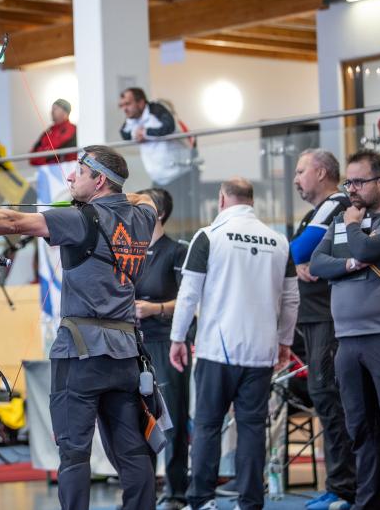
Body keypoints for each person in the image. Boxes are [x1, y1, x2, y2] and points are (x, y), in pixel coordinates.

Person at [0, 145, 158, 510]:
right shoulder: (142, 217)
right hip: (125, 355)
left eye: (80, 172)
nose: (70, 176)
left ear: (100, 181)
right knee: (133, 450)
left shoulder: (80, 219)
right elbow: (146, 198)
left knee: (74, 453)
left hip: (81, 354)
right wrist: (116, 196)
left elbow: (14, 221)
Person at [168, 178, 299, 510]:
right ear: (251, 201)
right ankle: (251, 503)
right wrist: (284, 341)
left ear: (222, 199)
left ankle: (201, 500)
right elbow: (291, 299)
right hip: (261, 351)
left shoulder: (209, 236)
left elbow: (188, 293)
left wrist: (177, 337)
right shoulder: (279, 241)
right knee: (252, 429)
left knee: (208, 426)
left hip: (217, 350)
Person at [310, 149, 380, 510]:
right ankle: (368, 502)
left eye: (359, 181)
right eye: (348, 182)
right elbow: (317, 264)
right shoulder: (340, 220)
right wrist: (353, 263)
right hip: (347, 341)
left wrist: (354, 230)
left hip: (379, 337)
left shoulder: (352, 222)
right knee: (360, 429)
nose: (351, 189)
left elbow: (367, 247)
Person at [289, 149, 355, 510]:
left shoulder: (335, 203)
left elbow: (297, 250)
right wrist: (300, 260)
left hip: (330, 319)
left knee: (330, 397)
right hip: (314, 319)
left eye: (301, 171)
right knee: (325, 397)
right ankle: (340, 485)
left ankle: (345, 488)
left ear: (321, 172)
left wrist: (304, 259)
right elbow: (297, 256)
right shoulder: (314, 213)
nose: (296, 179)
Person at [132, 188, 190, 510]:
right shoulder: (132, 252)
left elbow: (190, 300)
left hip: (167, 343)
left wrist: (156, 309)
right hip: (135, 345)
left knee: (174, 418)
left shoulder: (177, 251)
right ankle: (144, 492)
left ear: (160, 213)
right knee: (140, 419)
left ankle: (177, 490)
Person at [119, 88, 197, 237]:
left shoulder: (156, 109)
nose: (124, 108)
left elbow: (169, 126)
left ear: (141, 103)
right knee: (159, 214)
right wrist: (136, 133)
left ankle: (185, 242)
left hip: (179, 173)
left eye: (128, 104)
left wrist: (146, 133)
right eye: (122, 105)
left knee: (182, 216)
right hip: (158, 176)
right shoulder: (132, 119)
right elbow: (124, 133)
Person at [30, 98, 78, 165]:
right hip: (45, 169)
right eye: (52, 109)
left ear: (65, 112)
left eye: (55, 109)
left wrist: (44, 156)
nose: (52, 111)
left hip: (64, 169)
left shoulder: (73, 129)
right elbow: (32, 155)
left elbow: (61, 151)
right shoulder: (48, 131)